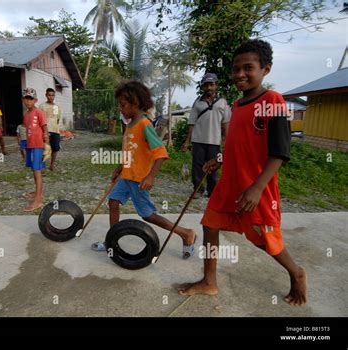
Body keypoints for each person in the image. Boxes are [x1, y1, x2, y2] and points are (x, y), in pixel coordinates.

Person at [177, 39, 307, 306]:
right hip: (230, 184)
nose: (240, 74)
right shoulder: (236, 106)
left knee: (264, 240)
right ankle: (209, 282)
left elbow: (279, 152)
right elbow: (239, 145)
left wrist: (258, 187)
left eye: (248, 68)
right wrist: (219, 160)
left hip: (256, 187)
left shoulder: (273, 101)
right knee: (209, 225)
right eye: (236, 69)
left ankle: (296, 272)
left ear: (265, 69)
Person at [91, 81, 197, 259]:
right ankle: (112, 240)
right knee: (113, 202)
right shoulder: (130, 125)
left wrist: (151, 177)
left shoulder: (145, 125)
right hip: (126, 176)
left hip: (139, 179)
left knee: (147, 215)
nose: (120, 109)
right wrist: (119, 168)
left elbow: (161, 153)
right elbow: (129, 151)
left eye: (123, 105)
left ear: (136, 103)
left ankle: (186, 233)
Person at [181, 73, 231, 198]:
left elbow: (225, 124)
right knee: (197, 167)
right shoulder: (197, 102)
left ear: (216, 85)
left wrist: (226, 141)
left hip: (215, 141)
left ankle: (212, 191)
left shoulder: (223, 102)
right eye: (206, 85)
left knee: (213, 168)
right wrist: (187, 141)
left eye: (211, 84)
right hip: (198, 140)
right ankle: (198, 190)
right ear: (203, 87)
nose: (209, 88)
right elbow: (191, 123)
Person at [22, 88, 51, 212]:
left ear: (35, 100)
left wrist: (47, 145)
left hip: (38, 145)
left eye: (31, 99)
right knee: (34, 170)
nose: (28, 101)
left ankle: (38, 200)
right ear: (23, 100)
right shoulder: (26, 114)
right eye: (26, 99)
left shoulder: (39, 112)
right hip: (30, 145)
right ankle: (38, 192)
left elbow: (45, 129)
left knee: (37, 171)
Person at [39, 88, 61, 171]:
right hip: (45, 131)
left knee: (55, 149)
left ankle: (52, 165)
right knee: (44, 149)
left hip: (55, 131)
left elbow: (57, 119)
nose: (51, 97)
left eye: (52, 95)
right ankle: (40, 165)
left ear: (54, 96)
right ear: (46, 95)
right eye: (49, 95)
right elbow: (39, 119)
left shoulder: (56, 107)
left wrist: (54, 126)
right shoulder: (42, 106)